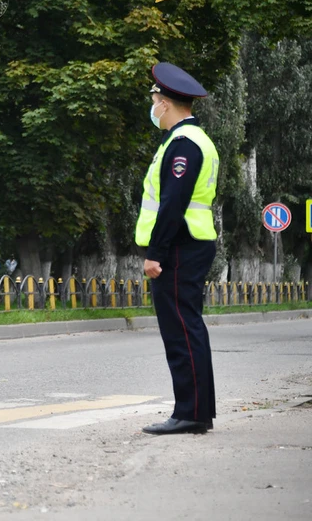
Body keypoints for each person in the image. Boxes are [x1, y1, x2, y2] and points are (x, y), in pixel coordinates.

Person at [135, 62, 219, 435]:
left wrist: (156, 253)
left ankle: (191, 412)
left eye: (154, 98)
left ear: (165, 103)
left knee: (182, 330)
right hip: (189, 245)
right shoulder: (189, 141)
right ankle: (196, 410)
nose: (152, 105)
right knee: (187, 327)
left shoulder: (185, 145)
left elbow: (172, 204)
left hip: (181, 247)